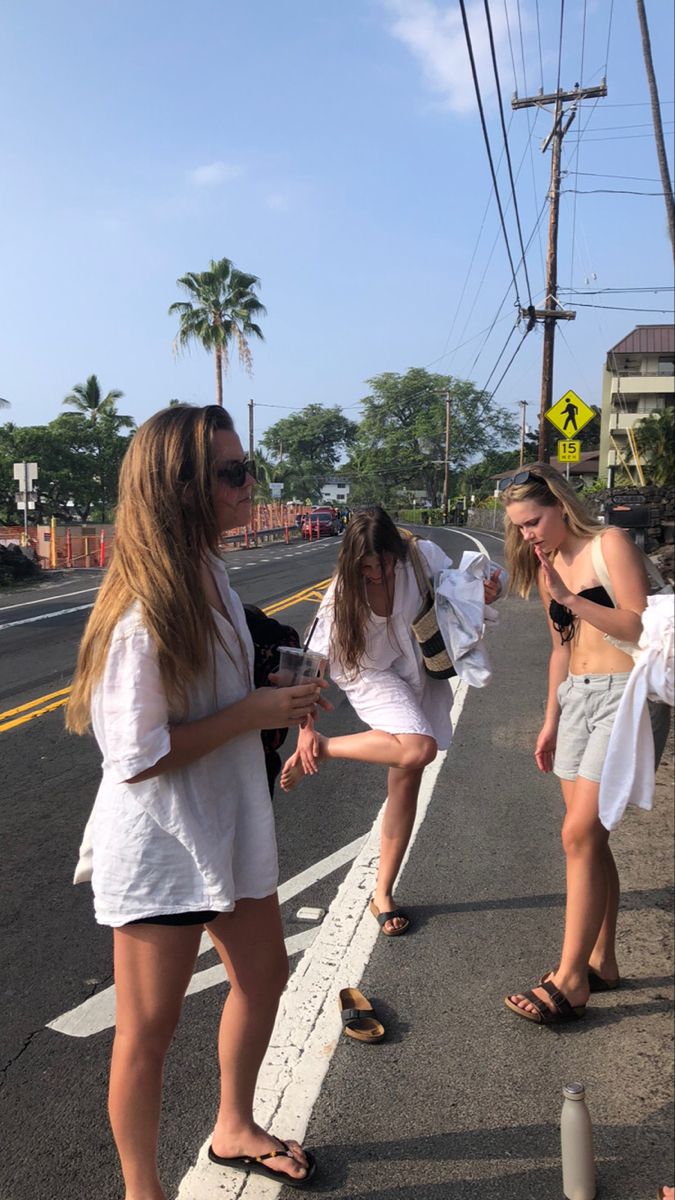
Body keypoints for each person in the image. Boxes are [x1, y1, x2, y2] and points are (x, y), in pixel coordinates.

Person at [66, 404, 324, 1198]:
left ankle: (233, 1125)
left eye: (247, 468)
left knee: (265, 974)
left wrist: (273, 686)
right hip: (163, 843)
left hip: (229, 821)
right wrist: (251, 714)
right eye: (234, 472)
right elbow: (134, 756)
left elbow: (215, 687)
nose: (251, 485)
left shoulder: (209, 573)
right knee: (147, 1031)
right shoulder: (142, 615)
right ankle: (141, 1191)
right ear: (181, 488)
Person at [280, 505, 500, 936]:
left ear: (395, 551)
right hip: (369, 674)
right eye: (366, 567)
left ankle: (382, 893)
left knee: (407, 776)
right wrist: (308, 734)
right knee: (419, 748)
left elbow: (470, 581)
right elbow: (314, 661)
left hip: (419, 670)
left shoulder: (421, 556)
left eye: (383, 563)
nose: (376, 574)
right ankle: (329, 748)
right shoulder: (344, 591)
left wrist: (489, 591)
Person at [499, 464, 651, 1024]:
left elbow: (638, 626)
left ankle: (571, 980)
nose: (528, 535)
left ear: (560, 505)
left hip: (622, 696)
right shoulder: (547, 568)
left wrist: (571, 595)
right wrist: (550, 718)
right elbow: (561, 648)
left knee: (579, 833)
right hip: (578, 699)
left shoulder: (610, 544)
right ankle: (603, 962)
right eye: (519, 528)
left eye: (533, 522)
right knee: (590, 838)